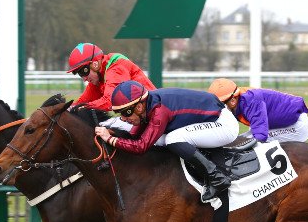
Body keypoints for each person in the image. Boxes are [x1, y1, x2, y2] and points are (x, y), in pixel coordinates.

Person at [94, 80, 239, 202]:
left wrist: (111, 139)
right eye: (120, 114)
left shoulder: (159, 111)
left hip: (224, 126)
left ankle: (217, 178)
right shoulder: (148, 104)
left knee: (172, 138)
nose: (123, 119)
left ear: (139, 106)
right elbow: (135, 136)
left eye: (125, 113)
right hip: (211, 119)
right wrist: (115, 133)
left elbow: (141, 146)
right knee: (159, 140)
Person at [207, 78, 308, 143]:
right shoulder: (236, 100)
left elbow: (260, 136)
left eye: (219, 104)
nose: (217, 108)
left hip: (297, 126)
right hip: (282, 124)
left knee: (246, 143)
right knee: (239, 141)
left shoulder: (250, 101)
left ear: (233, 101)